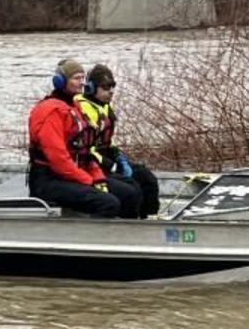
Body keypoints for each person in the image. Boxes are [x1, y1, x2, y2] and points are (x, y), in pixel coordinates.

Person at [27, 58, 141, 219]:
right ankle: (95, 241)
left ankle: (130, 236)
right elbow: (59, 160)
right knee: (108, 203)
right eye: (76, 78)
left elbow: (86, 152)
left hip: (73, 174)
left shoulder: (75, 107)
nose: (82, 83)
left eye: (83, 78)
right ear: (60, 81)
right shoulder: (50, 111)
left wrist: (98, 177)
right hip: (49, 180)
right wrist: (88, 181)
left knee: (130, 192)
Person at [77, 63, 160, 219]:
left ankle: (150, 217)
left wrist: (118, 155)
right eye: (106, 87)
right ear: (91, 88)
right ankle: (127, 224)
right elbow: (86, 147)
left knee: (146, 177)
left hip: (107, 159)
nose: (111, 92)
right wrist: (110, 164)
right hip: (92, 164)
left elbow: (106, 140)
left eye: (113, 87)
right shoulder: (83, 109)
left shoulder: (104, 107)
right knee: (130, 191)